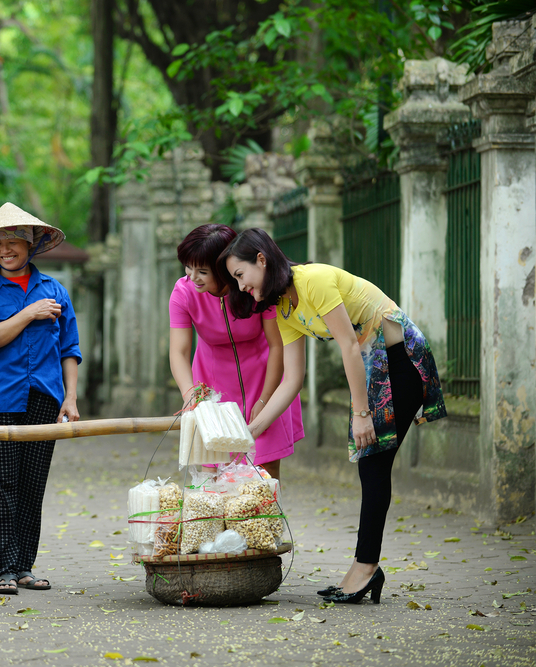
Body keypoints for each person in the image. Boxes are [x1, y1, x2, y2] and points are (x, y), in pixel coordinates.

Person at [220, 228, 446, 605]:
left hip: (400, 359)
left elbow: (348, 348)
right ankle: (365, 568)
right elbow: (292, 380)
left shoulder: (315, 280)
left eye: (240, 275)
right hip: (375, 367)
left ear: (261, 259)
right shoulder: (285, 310)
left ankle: (366, 568)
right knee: (370, 464)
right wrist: (251, 432)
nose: (240, 286)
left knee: (372, 462)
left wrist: (361, 413)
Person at [0, 202, 81, 595]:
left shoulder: (55, 290)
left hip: (45, 400)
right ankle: (4, 571)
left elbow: (70, 348)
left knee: (32, 485)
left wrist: (71, 399)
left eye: (13, 241)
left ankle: (25, 566)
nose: (5, 250)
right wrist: (29, 313)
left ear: (30, 243)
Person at [168, 224, 303, 480]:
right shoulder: (183, 292)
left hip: (265, 378)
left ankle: (264, 520)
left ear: (224, 267)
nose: (193, 277)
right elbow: (179, 351)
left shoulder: (254, 286)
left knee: (264, 472)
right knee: (214, 472)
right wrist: (191, 398)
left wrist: (264, 400)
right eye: (188, 267)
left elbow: (277, 345)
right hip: (212, 385)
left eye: (203, 271)